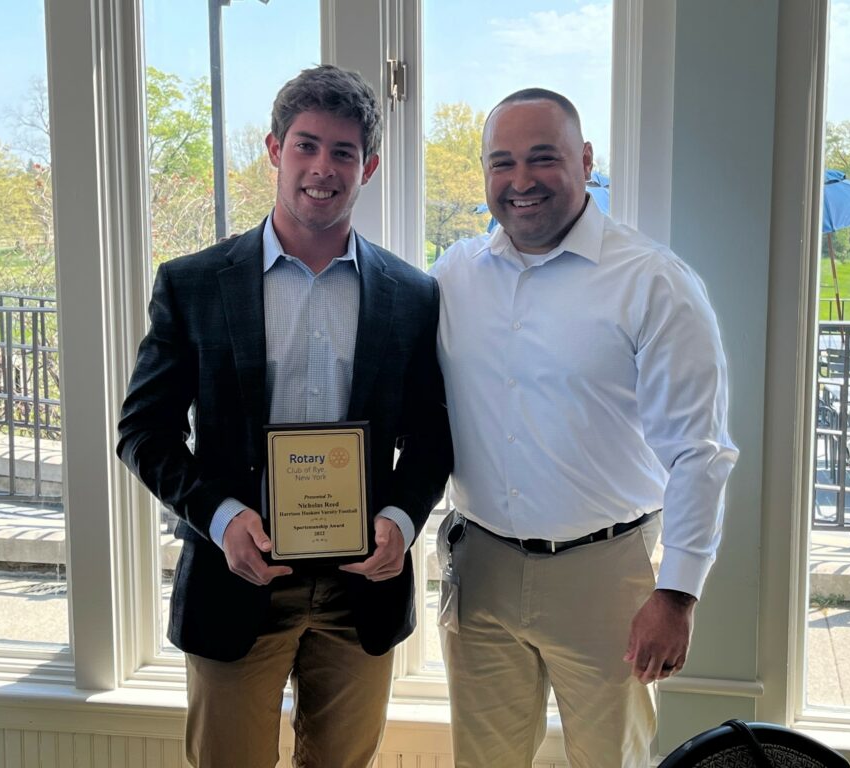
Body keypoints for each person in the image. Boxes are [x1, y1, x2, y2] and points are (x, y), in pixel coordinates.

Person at [117, 65, 452, 768]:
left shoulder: (414, 296)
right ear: (274, 150)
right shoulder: (192, 285)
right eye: (305, 145)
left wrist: (400, 519)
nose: (321, 168)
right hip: (236, 579)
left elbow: (431, 438)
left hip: (361, 592)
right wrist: (220, 516)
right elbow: (143, 430)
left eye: (342, 152)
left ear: (371, 166)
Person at [430, 88, 738, 767]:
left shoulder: (653, 282)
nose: (520, 181)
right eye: (501, 162)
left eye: (543, 158)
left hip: (608, 577)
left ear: (585, 159)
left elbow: (700, 453)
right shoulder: (455, 276)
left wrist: (678, 594)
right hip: (479, 572)